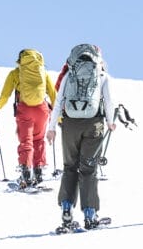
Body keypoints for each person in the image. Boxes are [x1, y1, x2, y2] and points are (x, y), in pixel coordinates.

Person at [46, 44, 116, 231]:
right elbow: (109, 101)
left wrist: (51, 128)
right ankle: (90, 213)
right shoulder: (102, 76)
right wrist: (110, 122)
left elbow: (59, 101)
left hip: (70, 125)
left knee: (70, 167)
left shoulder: (70, 74)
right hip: (93, 125)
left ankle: (67, 209)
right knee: (88, 169)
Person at [0, 48, 58, 189]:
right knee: (38, 140)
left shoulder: (15, 74)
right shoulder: (43, 73)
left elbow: (5, 94)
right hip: (42, 110)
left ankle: (26, 173)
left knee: (26, 141)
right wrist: (58, 117)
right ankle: (39, 171)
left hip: (25, 109)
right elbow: (54, 95)